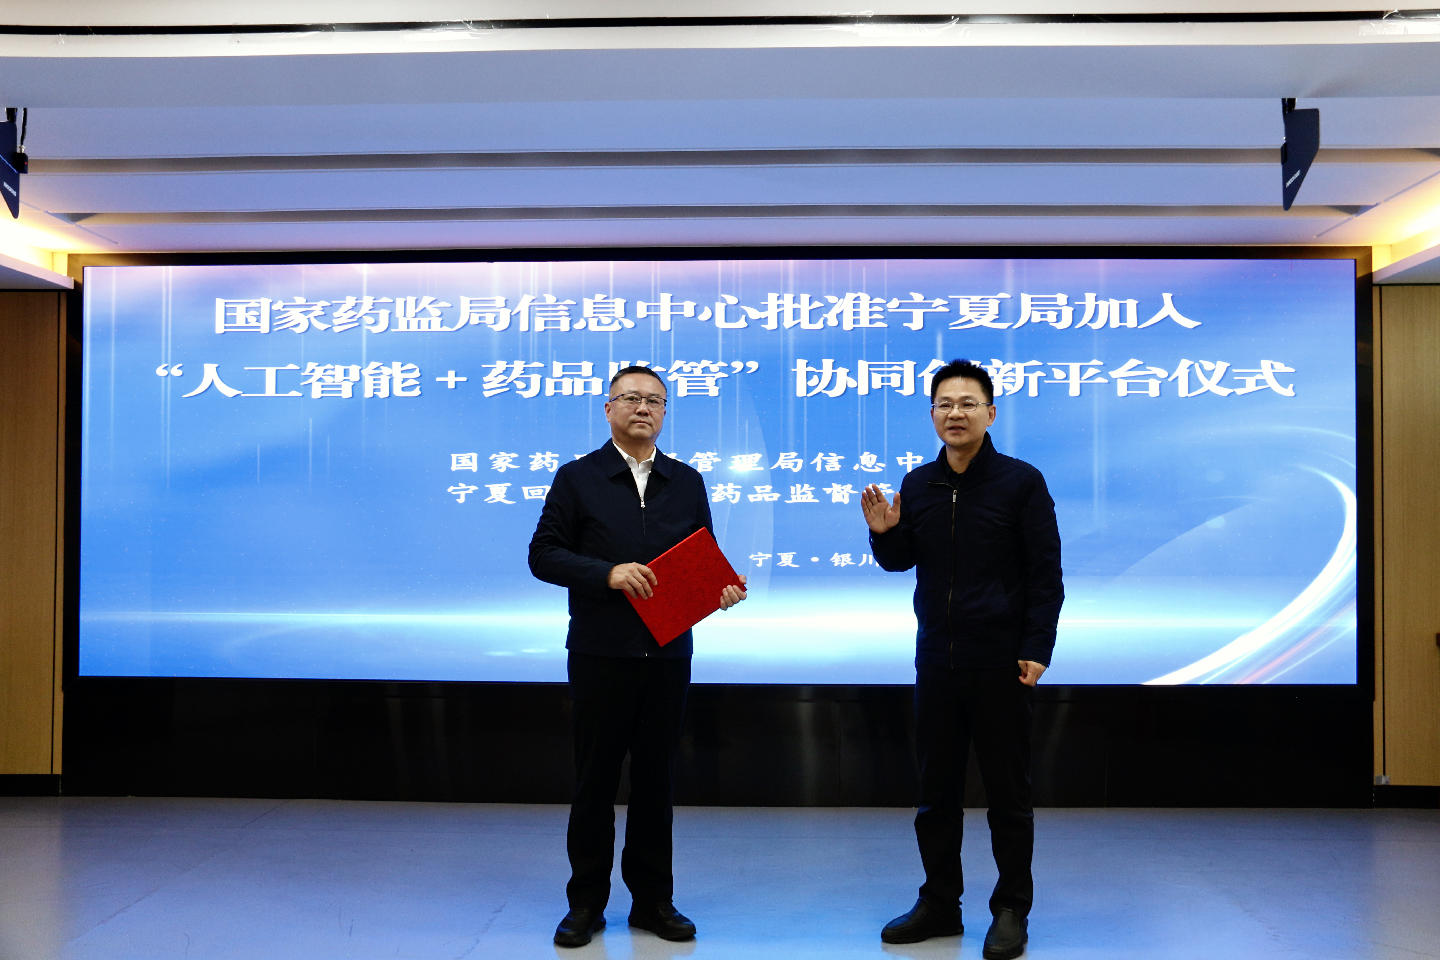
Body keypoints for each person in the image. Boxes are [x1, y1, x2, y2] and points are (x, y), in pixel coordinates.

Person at [529, 364, 747, 949]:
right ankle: (585, 904)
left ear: (665, 411)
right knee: (594, 783)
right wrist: (607, 573)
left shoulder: (687, 480)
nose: (643, 408)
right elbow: (543, 554)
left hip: (669, 654)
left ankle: (653, 902)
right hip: (601, 653)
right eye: (630, 398)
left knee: (656, 783)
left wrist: (720, 590)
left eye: (654, 400)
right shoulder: (578, 478)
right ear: (608, 409)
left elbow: (703, 558)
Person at [861, 358, 1063, 960]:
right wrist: (885, 533)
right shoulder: (920, 483)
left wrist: (1036, 648)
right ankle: (940, 904)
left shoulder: (1021, 482)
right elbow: (901, 562)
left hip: (1002, 663)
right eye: (944, 404)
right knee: (936, 794)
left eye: (968, 403)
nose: (956, 413)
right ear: (932, 415)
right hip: (937, 661)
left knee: (1008, 795)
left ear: (990, 413)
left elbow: (1045, 574)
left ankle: (1011, 908)